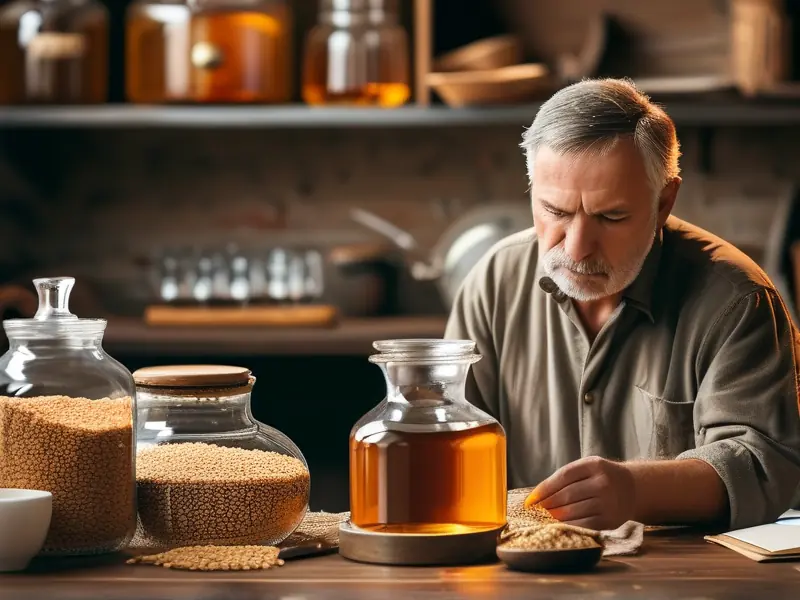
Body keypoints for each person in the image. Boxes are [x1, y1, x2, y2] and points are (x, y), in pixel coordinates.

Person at [445, 77, 800, 532]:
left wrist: (634, 490)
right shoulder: (492, 281)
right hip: (520, 567)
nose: (576, 248)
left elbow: (762, 464)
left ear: (664, 202)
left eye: (610, 217)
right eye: (555, 212)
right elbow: (449, 433)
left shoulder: (737, 301)